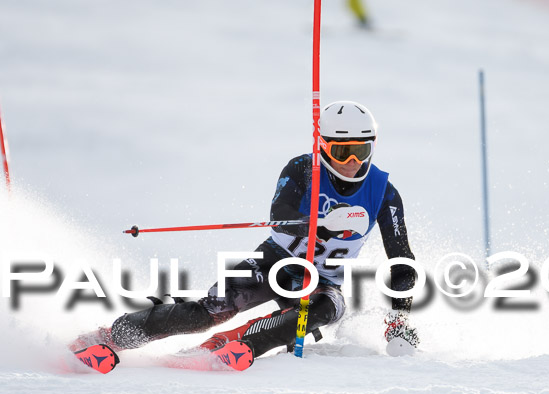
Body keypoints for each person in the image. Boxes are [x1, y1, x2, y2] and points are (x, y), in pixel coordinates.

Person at [70, 101, 419, 370]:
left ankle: (237, 346)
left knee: (323, 309)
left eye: (362, 150)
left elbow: (402, 263)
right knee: (208, 311)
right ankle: (111, 337)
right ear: (324, 146)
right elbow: (279, 218)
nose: (352, 162)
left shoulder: (384, 193)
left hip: (323, 281)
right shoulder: (303, 169)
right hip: (274, 261)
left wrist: (400, 318)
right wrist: (320, 223)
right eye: (342, 151)